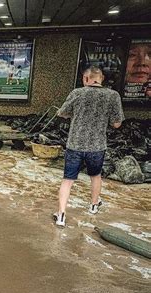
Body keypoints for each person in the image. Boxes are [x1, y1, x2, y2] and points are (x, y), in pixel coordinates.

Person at [53, 66, 124, 227]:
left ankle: (61, 215)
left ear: (86, 79)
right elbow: (117, 123)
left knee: (67, 180)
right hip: (97, 146)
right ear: (101, 79)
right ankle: (93, 205)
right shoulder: (113, 96)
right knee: (95, 176)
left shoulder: (77, 93)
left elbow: (62, 113)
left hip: (75, 144)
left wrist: (76, 114)